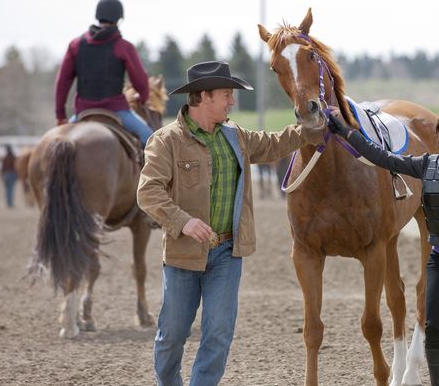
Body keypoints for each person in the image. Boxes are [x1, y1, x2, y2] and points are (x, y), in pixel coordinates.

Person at [137, 61, 324, 385]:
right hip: (183, 254)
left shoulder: (235, 135)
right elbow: (148, 191)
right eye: (226, 95)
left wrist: (314, 127)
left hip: (227, 252)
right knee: (172, 337)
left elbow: (273, 143)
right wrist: (183, 222)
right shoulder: (165, 140)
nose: (232, 102)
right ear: (203, 97)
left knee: (219, 334)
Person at [326, 105, 439, 386]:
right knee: (433, 330)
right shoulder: (426, 165)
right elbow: (382, 157)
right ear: (437, 135)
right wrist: (345, 131)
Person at [55, 0, 154, 147]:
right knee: (153, 142)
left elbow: (62, 82)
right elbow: (141, 80)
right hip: (117, 111)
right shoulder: (123, 47)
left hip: (82, 112)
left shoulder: (75, 45)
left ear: (98, 17)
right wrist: (142, 97)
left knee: (54, 146)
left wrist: (60, 115)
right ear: (119, 19)